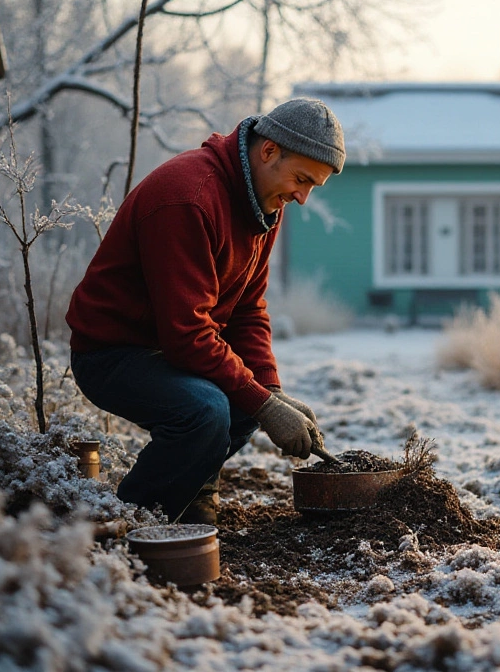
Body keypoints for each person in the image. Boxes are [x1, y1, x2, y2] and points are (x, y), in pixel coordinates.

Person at [65, 98, 345, 524]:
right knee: (207, 411)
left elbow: (249, 309)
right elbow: (187, 334)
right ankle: (131, 519)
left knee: (245, 402)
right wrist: (265, 405)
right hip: (112, 351)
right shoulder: (188, 198)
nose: (302, 198)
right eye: (302, 179)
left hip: (171, 348)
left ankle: (193, 493)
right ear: (268, 150)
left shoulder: (265, 205)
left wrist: (270, 390)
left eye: (313, 188)